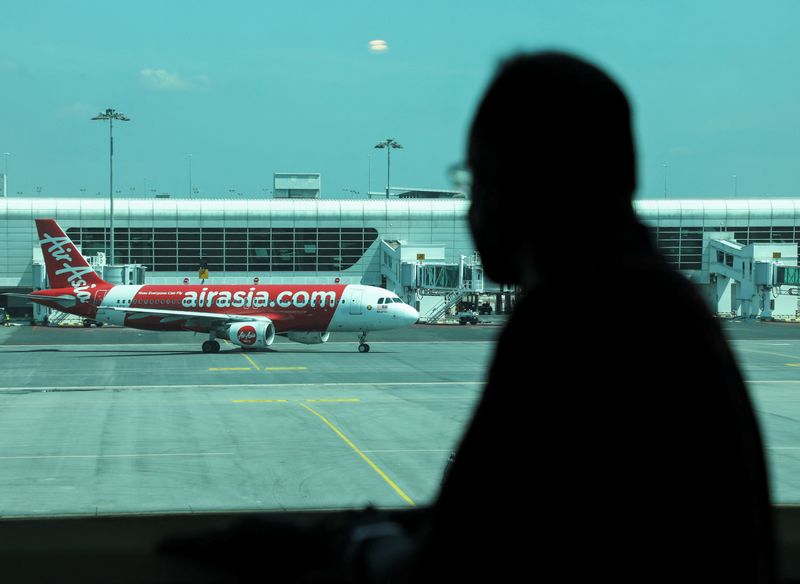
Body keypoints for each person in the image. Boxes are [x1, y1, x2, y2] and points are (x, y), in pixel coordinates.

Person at [407, 52, 774, 582]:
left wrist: (364, 547)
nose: (472, 210)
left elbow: (455, 553)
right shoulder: (666, 304)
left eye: (477, 181)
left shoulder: (572, 321)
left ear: (524, 184)